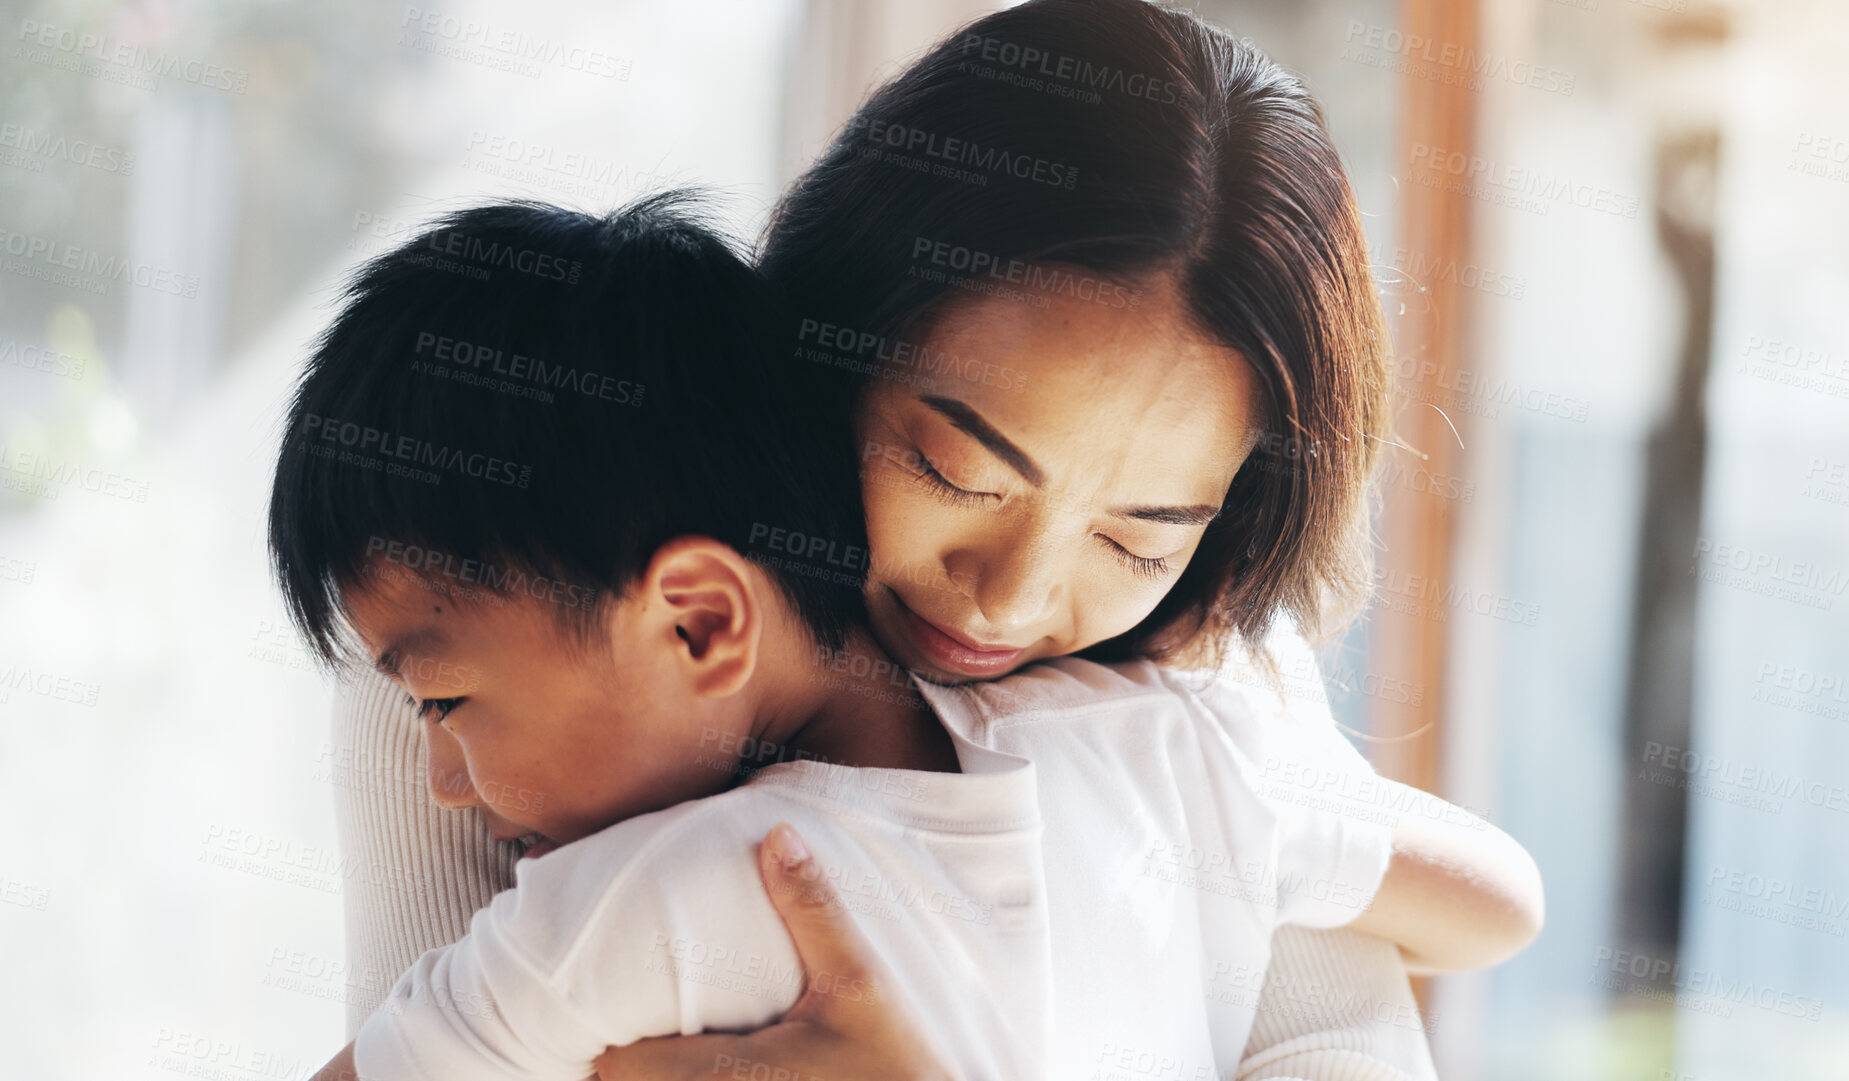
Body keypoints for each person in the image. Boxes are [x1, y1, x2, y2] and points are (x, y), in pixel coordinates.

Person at [326, 1, 1544, 1076]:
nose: (1011, 600)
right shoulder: (496, 638)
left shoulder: (1199, 692)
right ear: (829, 337)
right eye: (957, 470)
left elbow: (1375, 1017)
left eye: (1139, 536)